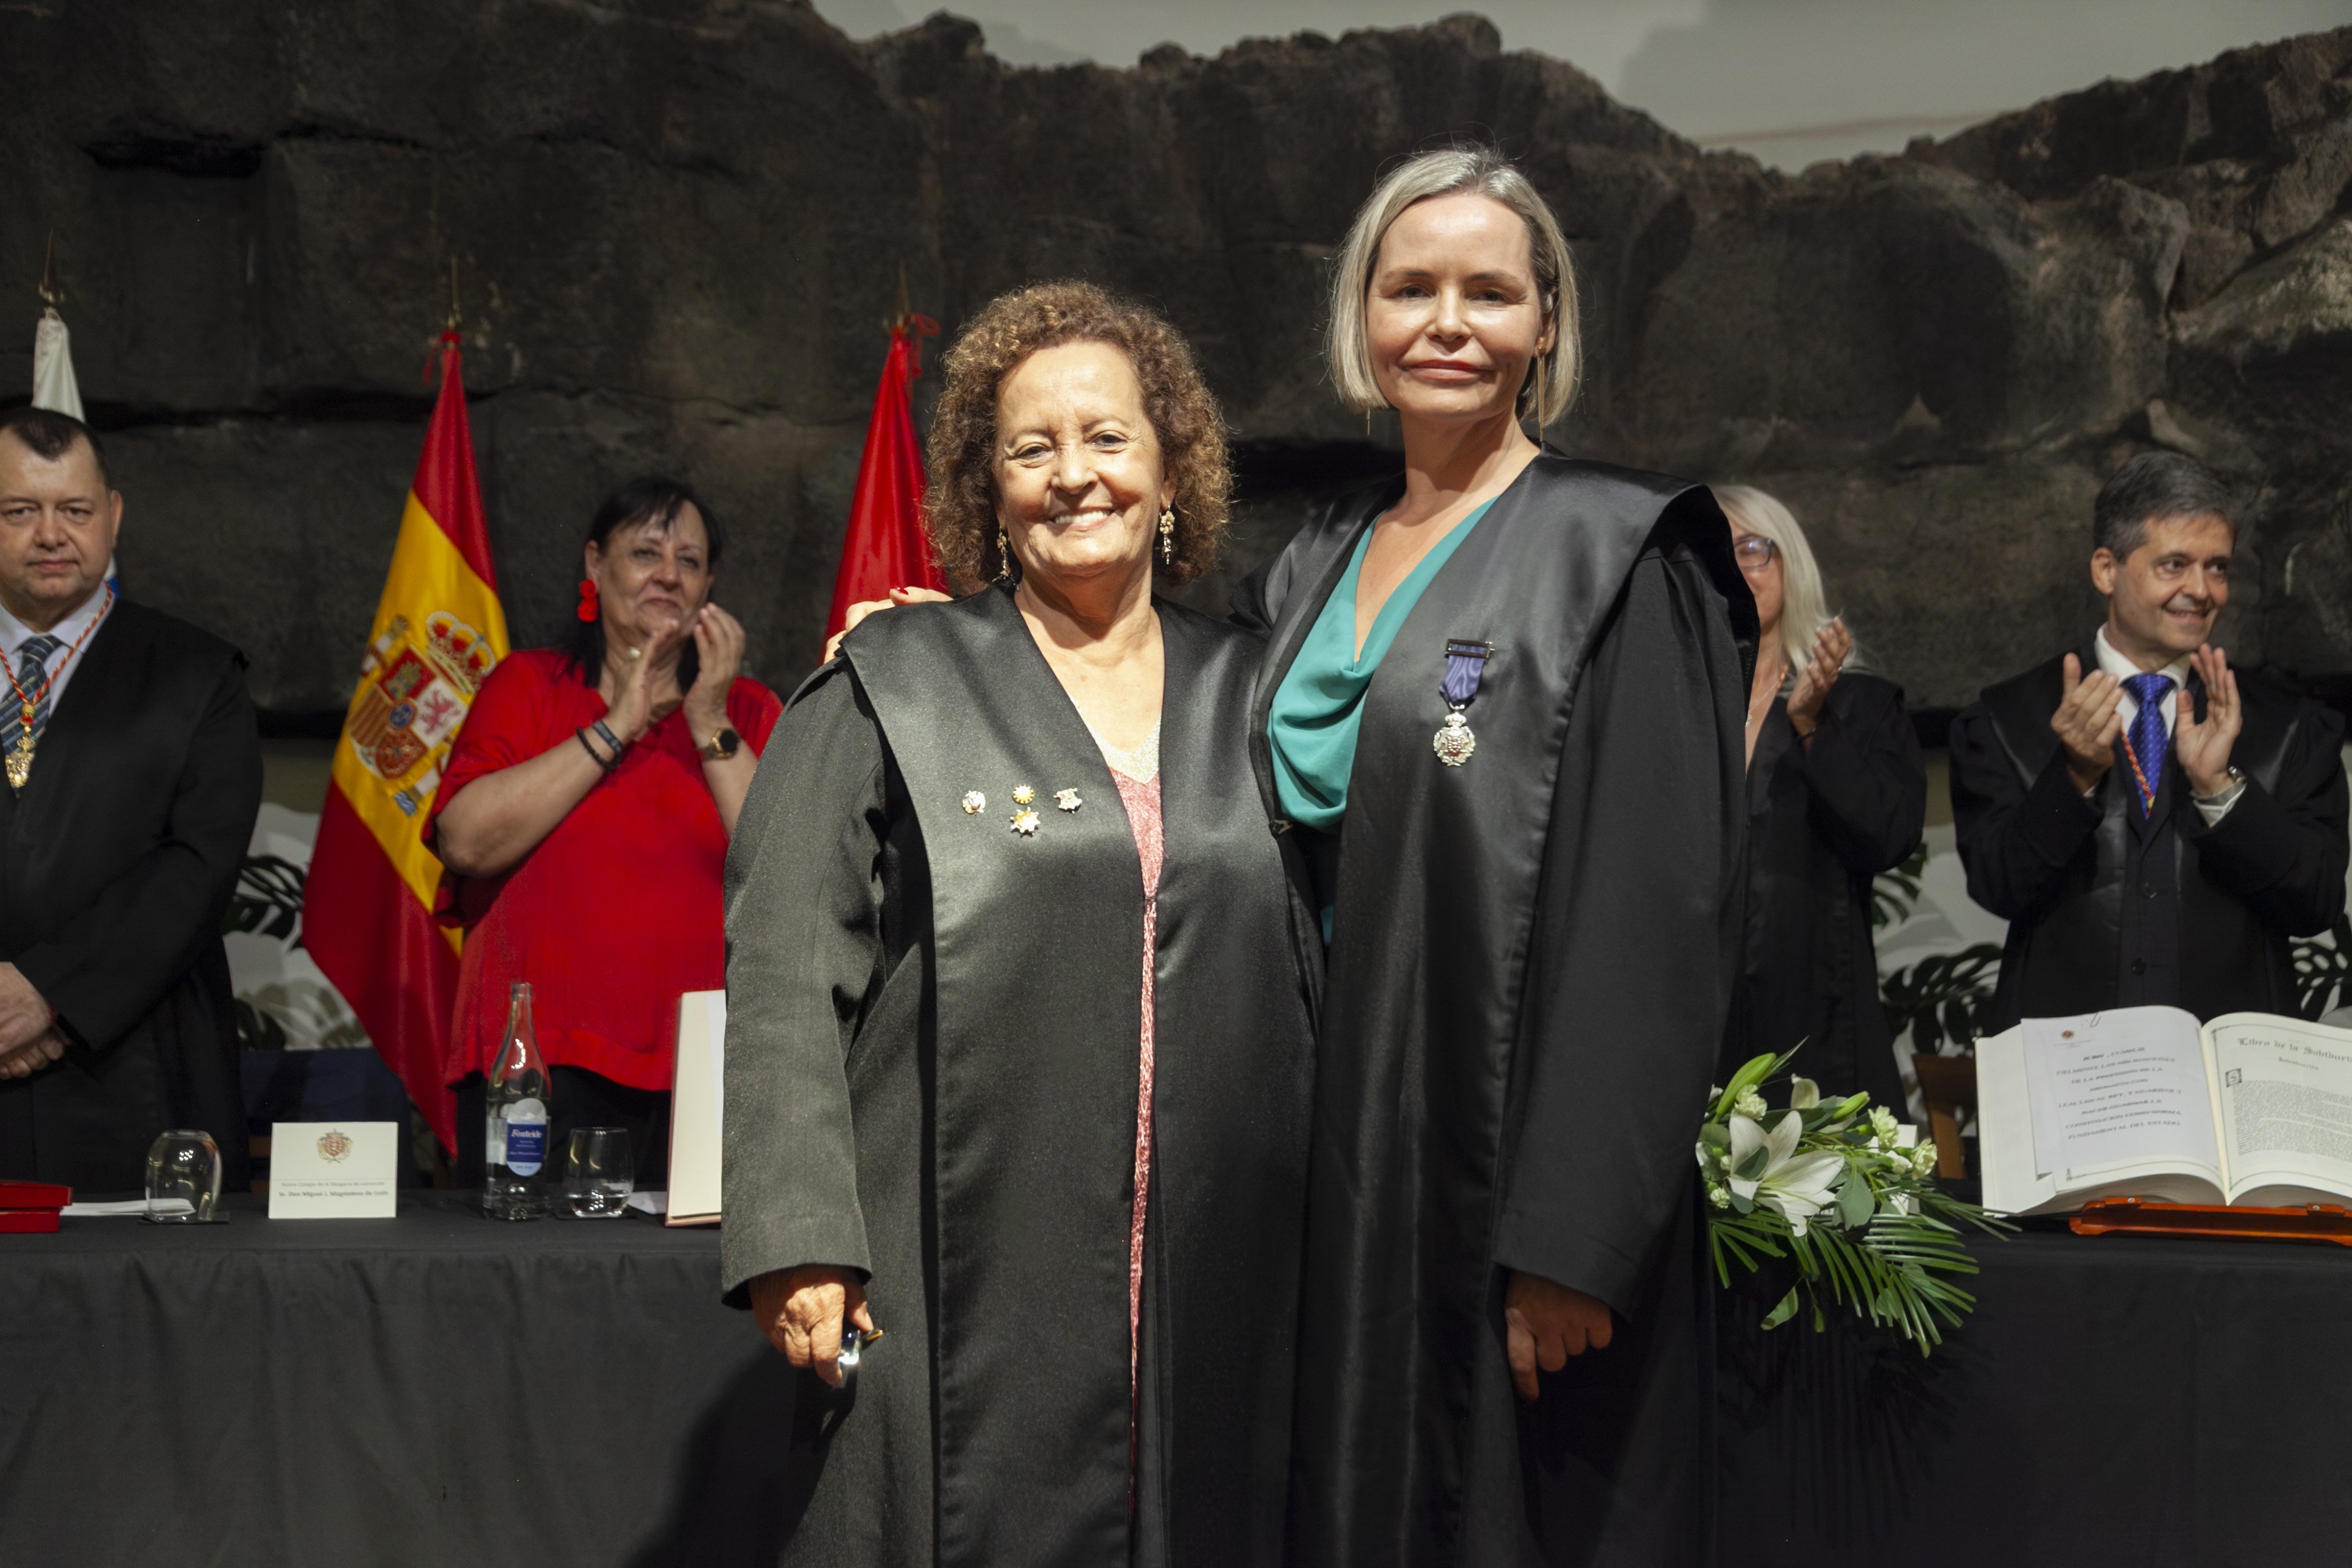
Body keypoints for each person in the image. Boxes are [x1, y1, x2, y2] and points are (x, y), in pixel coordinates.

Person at [721, 282, 1316, 1566]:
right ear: (986, 491)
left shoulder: (1264, 692)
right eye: (1030, 448)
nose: (1072, 474)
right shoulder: (893, 682)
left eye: (1106, 437)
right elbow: (782, 968)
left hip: (1219, 1262)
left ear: (1171, 469)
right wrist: (797, 1234)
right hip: (953, 1261)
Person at [1237, 149, 1753, 1566]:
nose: (1446, 323)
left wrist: (1574, 1234)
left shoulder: (1621, 555)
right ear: (1361, 317)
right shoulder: (1309, 563)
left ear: (1545, 324)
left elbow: (1658, 915)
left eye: (1489, 292)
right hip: (1332, 1156)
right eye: (1409, 288)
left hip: (1498, 1174)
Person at [429, 478, 777, 1185]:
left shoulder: (747, 711)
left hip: (705, 1075)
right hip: (539, 1065)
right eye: (646, 553)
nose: (668, 575)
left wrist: (708, 720)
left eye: (689, 561)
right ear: (595, 564)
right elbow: (465, 842)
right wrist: (617, 726)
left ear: (709, 585)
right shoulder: (529, 687)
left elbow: (787, 874)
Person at [1950, 451, 2347, 1027]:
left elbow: (2316, 906)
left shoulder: (2290, 727)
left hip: (2226, 1063)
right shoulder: (2005, 718)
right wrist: (2072, 778)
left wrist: (2220, 791)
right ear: (2106, 570)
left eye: (2217, 567)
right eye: (2174, 565)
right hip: (2069, 1058)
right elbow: (1997, 888)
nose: (2201, 590)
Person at [0, 406, 261, 1190]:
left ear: (113, 516)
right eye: (20, 511)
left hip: (136, 1063)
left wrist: (48, 994)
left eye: (75, 511)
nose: (52, 535)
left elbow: (198, 864)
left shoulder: (197, 673)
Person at [1715, 484, 1923, 1117]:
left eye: (1752, 550)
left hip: (1819, 1024)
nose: (1733, 568)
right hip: (1691, 1024)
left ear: (1791, 563)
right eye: (1714, 553)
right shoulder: (1670, 708)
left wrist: (1812, 725)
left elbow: (1887, 836)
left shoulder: (1858, 705)